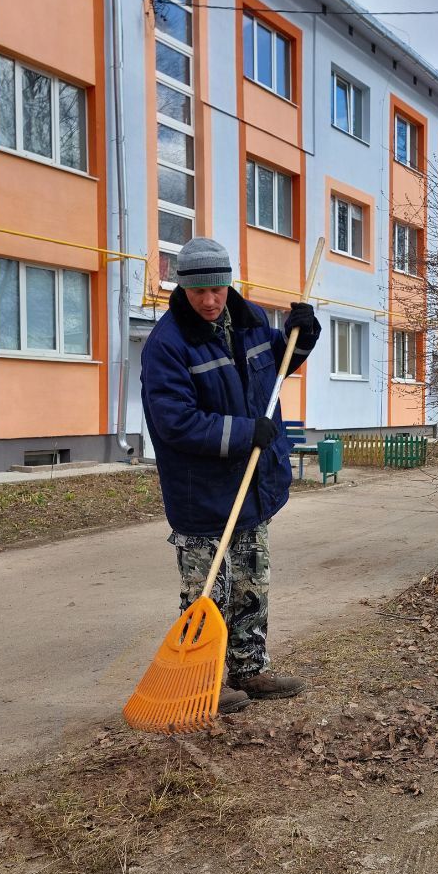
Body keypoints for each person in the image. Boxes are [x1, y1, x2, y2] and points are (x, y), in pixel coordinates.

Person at [140, 237, 321, 715]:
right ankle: (205, 679)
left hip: (252, 486)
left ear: (228, 283)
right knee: (207, 594)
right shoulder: (167, 345)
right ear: (183, 288)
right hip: (202, 495)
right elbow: (174, 422)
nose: (210, 300)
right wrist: (245, 434)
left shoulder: (251, 322)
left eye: (218, 288)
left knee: (250, 584)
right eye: (199, 291)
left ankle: (249, 668)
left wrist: (300, 339)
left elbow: (274, 372)